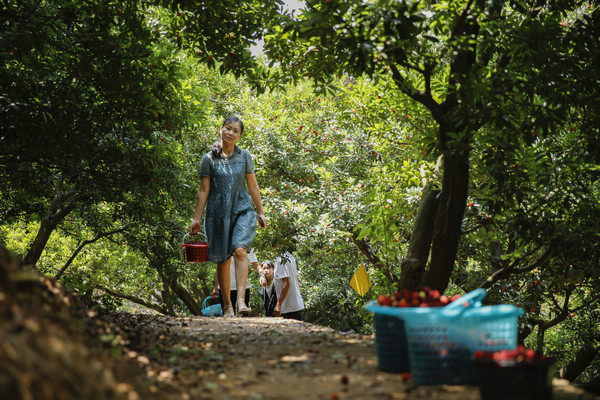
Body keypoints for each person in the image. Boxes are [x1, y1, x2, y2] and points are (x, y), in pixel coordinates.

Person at [190, 116, 267, 317]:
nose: (231, 133)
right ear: (221, 129)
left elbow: (253, 185)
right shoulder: (209, 159)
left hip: (242, 209)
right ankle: (227, 307)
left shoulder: (245, 156)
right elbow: (203, 189)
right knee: (223, 261)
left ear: (240, 136)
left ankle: (240, 299)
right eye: (228, 128)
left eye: (235, 131)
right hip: (217, 213)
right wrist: (197, 218)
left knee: (241, 251)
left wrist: (260, 211)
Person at [212, 250, 260, 316]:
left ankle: (240, 300)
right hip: (224, 289)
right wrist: (216, 287)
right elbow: (220, 270)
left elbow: (256, 264)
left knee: (243, 316)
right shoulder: (224, 245)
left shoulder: (245, 246)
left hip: (243, 288)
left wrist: (262, 275)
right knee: (228, 315)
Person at [273, 252, 304, 321]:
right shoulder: (290, 257)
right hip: (296, 304)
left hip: (288, 307)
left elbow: (287, 284)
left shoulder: (281, 260)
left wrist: (278, 305)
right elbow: (296, 279)